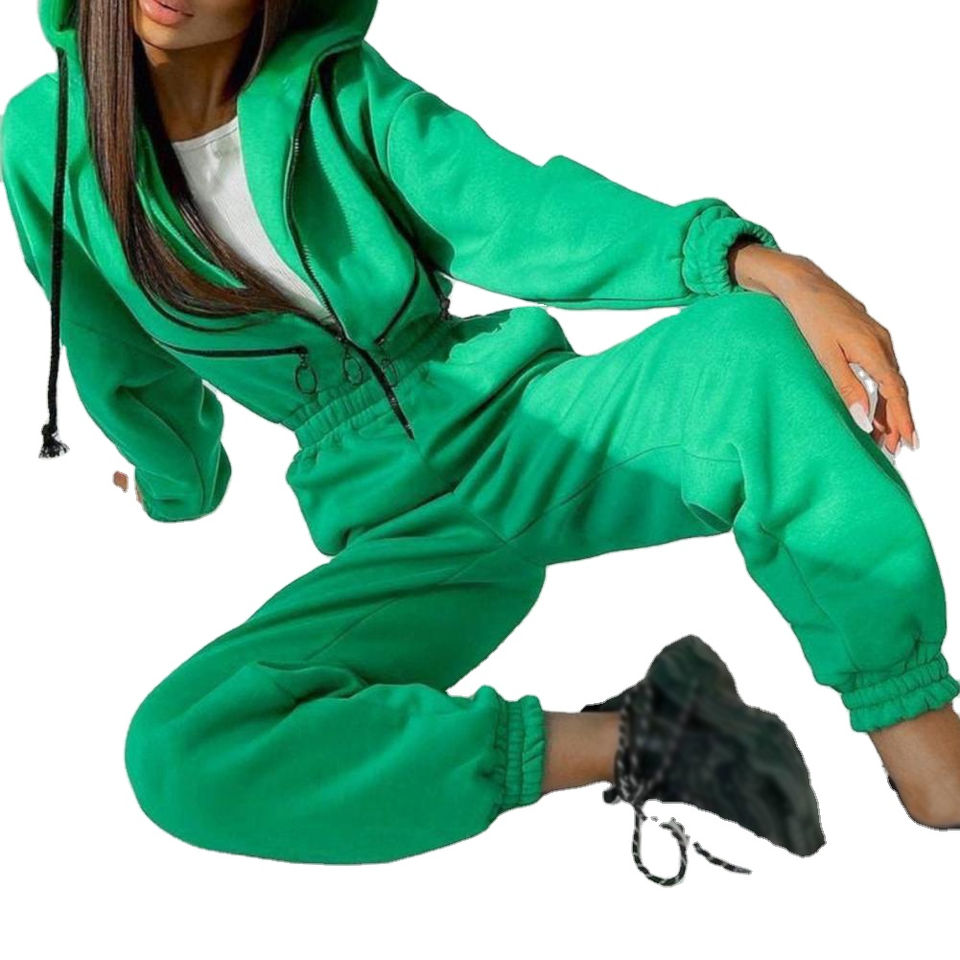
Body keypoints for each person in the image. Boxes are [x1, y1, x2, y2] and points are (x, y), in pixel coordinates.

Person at [2, 0, 958, 877]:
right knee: (183, 751)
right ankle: (653, 734)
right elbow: (111, 348)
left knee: (750, 344)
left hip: (521, 428)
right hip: (397, 532)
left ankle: (914, 721)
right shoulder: (47, 143)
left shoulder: (339, 90)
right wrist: (174, 482)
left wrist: (761, 264)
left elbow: (521, 213)